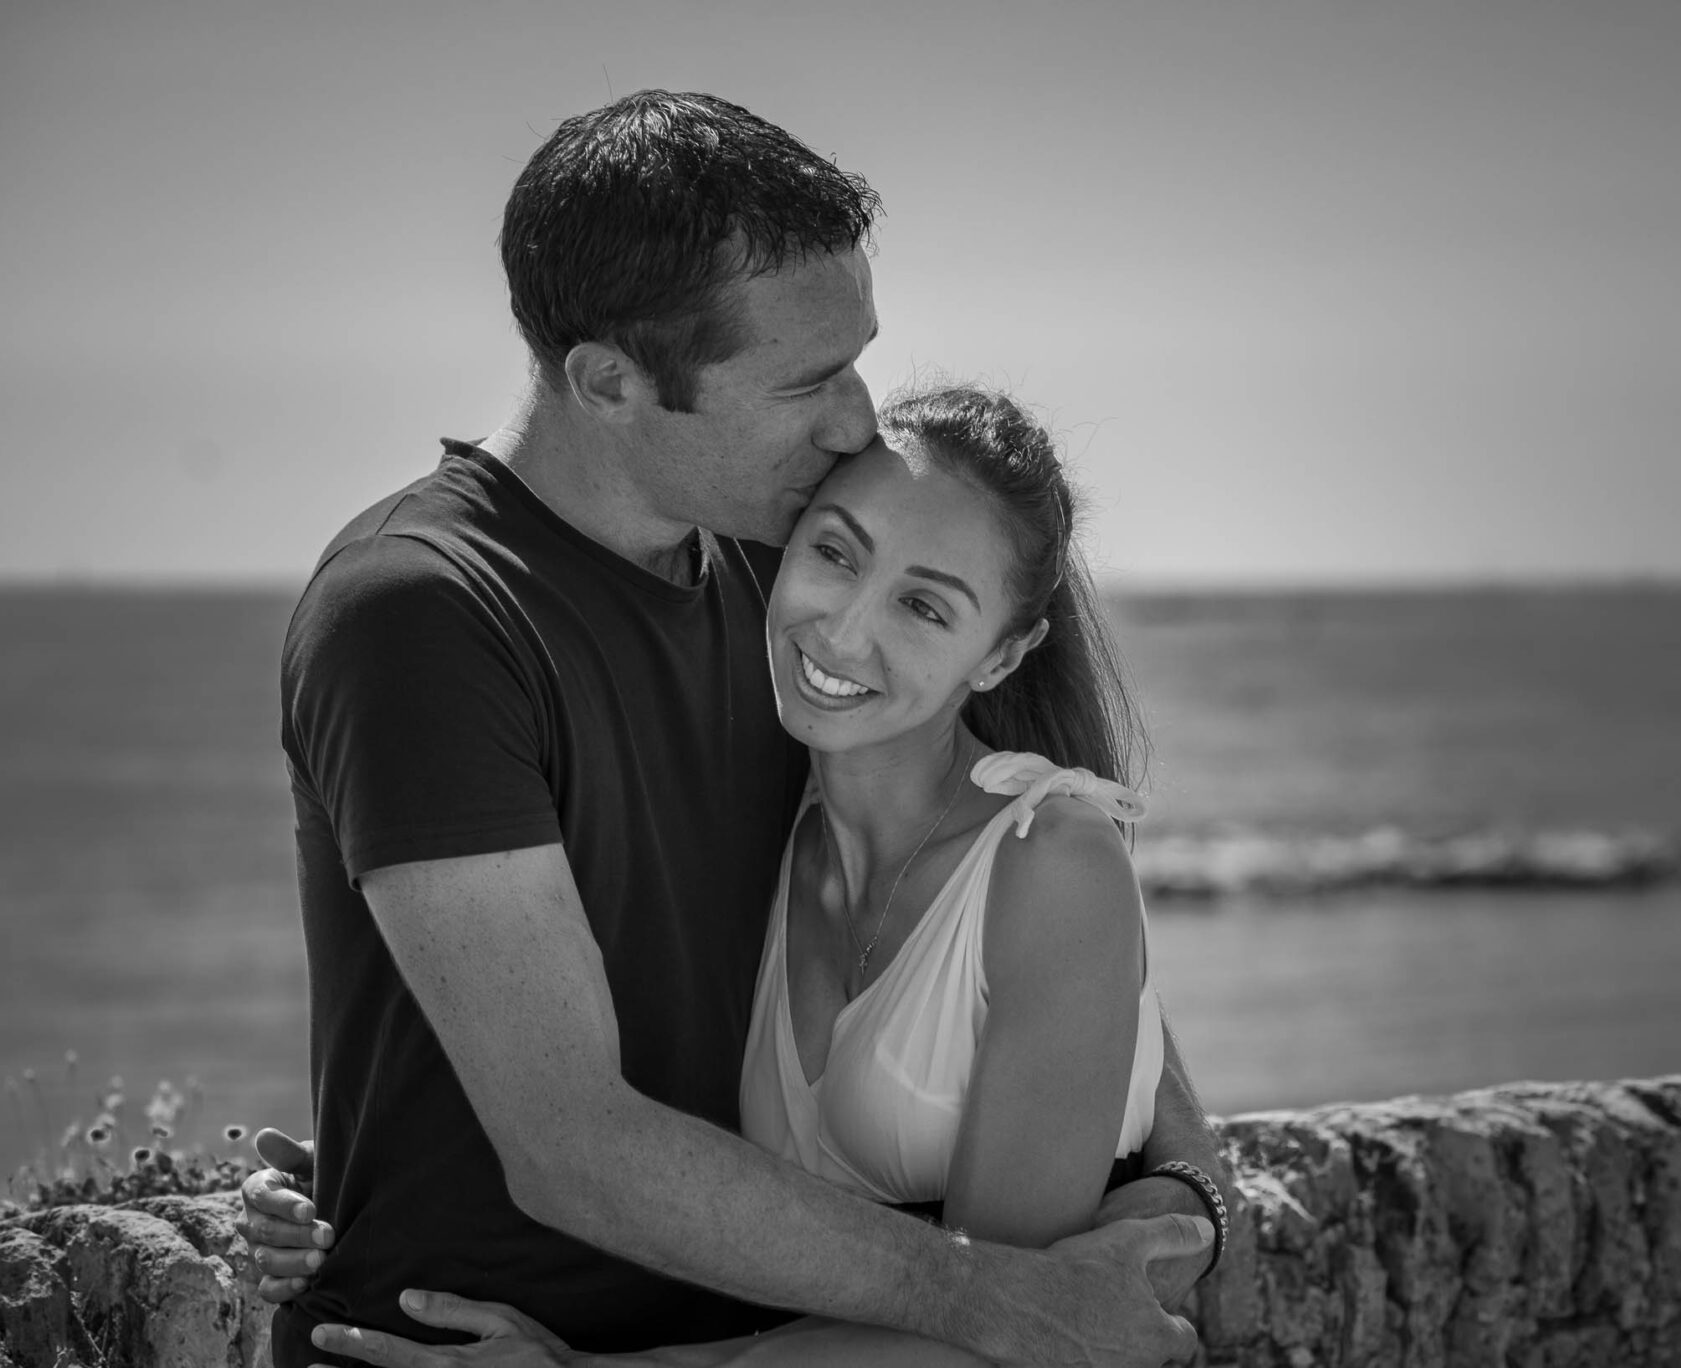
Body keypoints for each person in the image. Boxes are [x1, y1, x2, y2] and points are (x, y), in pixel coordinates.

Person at [242, 89, 1225, 1368]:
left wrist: (1189, 1191)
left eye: (859, 355)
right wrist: (1005, 1301)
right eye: (806, 380)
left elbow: (1063, 952)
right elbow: (572, 1147)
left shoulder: (793, 591)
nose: (856, 420)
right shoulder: (422, 613)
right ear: (607, 380)